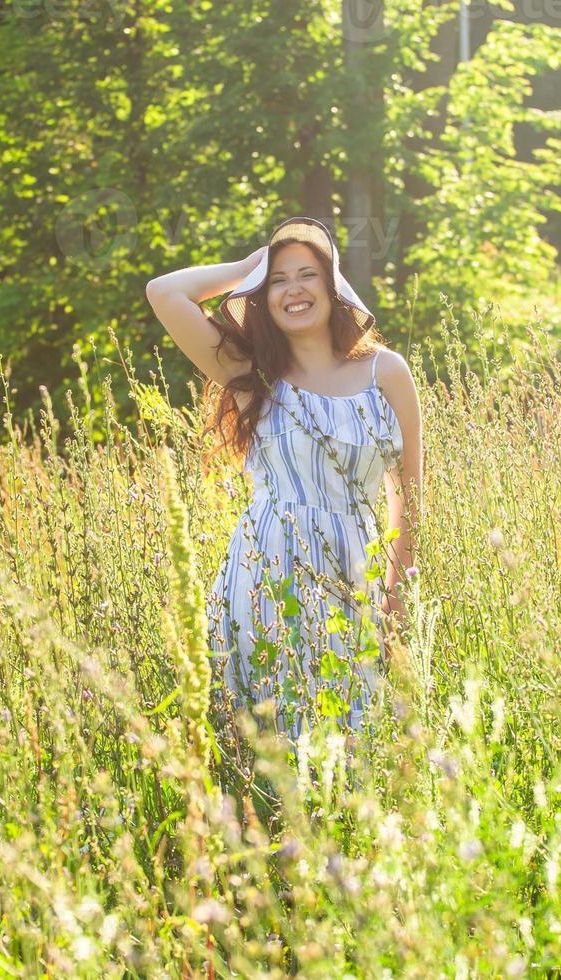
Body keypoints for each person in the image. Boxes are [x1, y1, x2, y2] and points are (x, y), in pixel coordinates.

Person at [145, 216, 423, 750]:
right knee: (264, 743)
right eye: (278, 280)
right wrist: (250, 265)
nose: (293, 289)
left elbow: (408, 502)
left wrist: (397, 603)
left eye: (307, 274)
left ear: (332, 285)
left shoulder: (385, 372)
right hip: (263, 575)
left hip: (353, 577)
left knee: (353, 745)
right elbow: (164, 292)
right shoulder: (253, 374)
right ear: (262, 296)